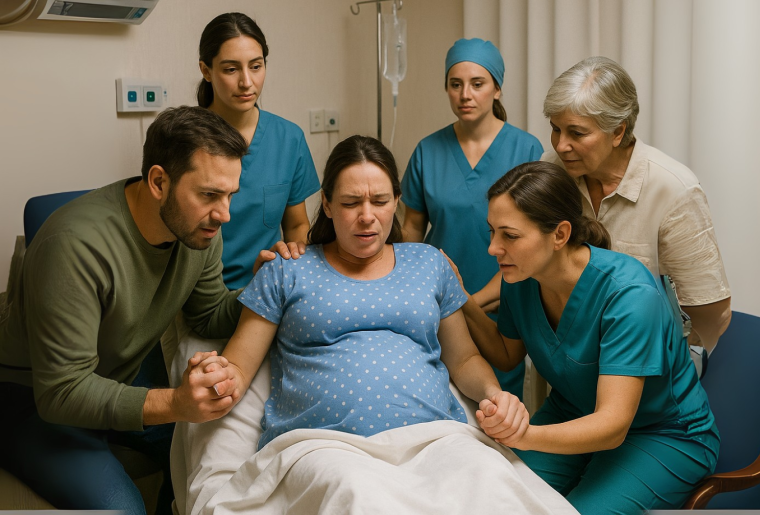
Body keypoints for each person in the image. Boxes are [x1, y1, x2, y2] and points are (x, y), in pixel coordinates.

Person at [198, 135, 527, 450]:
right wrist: (219, 377)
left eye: (380, 201)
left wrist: (493, 394)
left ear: (396, 201)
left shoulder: (429, 263)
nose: (367, 216)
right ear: (327, 204)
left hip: (433, 440)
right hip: (324, 446)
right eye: (351, 203)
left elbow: (465, 360)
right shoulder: (287, 268)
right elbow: (239, 366)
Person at [0, 106, 249, 515]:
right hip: (31, 398)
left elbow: (208, 314)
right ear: (159, 182)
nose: (224, 214)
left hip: (119, 371)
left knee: (211, 461)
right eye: (208, 194)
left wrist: (268, 288)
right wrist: (175, 403)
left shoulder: (199, 230)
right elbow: (62, 392)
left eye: (229, 195)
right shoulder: (74, 246)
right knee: (123, 509)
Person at [457, 160, 719, 514]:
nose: (493, 248)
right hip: (571, 414)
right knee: (494, 501)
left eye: (510, 236)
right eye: (492, 232)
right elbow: (506, 354)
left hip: (661, 433)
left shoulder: (628, 295)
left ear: (560, 235)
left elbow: (611, 425)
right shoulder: (521, 278)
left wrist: (524, 435)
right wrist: (461, 299)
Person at [541, 56, 730, 357]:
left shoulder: (674, 190)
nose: (561, 145)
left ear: (618, 132)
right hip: (567, 357)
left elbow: (710, 311)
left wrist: (661, 355)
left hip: (646, 359)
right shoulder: (551, 169)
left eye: (576, 133)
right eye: (556, 129)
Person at [400, 37, 542, 397]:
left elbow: (535, 240)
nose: (465, 94)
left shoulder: (526, 149)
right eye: (455, 84)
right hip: (436, 304)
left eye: (477, 84)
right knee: (437, 397)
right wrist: (406, 291)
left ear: (497, 89)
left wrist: (468, 302)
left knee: (498, 404)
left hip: (504, 304)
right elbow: (411, 229)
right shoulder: (428, 150)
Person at [197, 12, 320, 290]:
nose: (246, 82)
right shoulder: (185, 140)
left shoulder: (288, 138)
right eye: (231, 69)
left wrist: (292, 262)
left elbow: (297, 226)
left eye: (255, 66)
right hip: (199, 294)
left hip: (268, 289)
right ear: (206, 71)